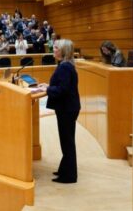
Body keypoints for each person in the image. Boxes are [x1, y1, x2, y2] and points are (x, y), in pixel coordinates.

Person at [37, 39, 80, 184]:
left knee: (67, 142)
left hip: (67, 108)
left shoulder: (64, 67)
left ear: (63, 51)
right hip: (69, 107)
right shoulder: (65, 65)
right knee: (67, 141)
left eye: (55, 48)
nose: (53, 50)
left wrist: (47, 89)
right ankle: (65, 169)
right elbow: (63, 85)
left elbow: (62, 90)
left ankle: (69, 176)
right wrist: (48, 86)